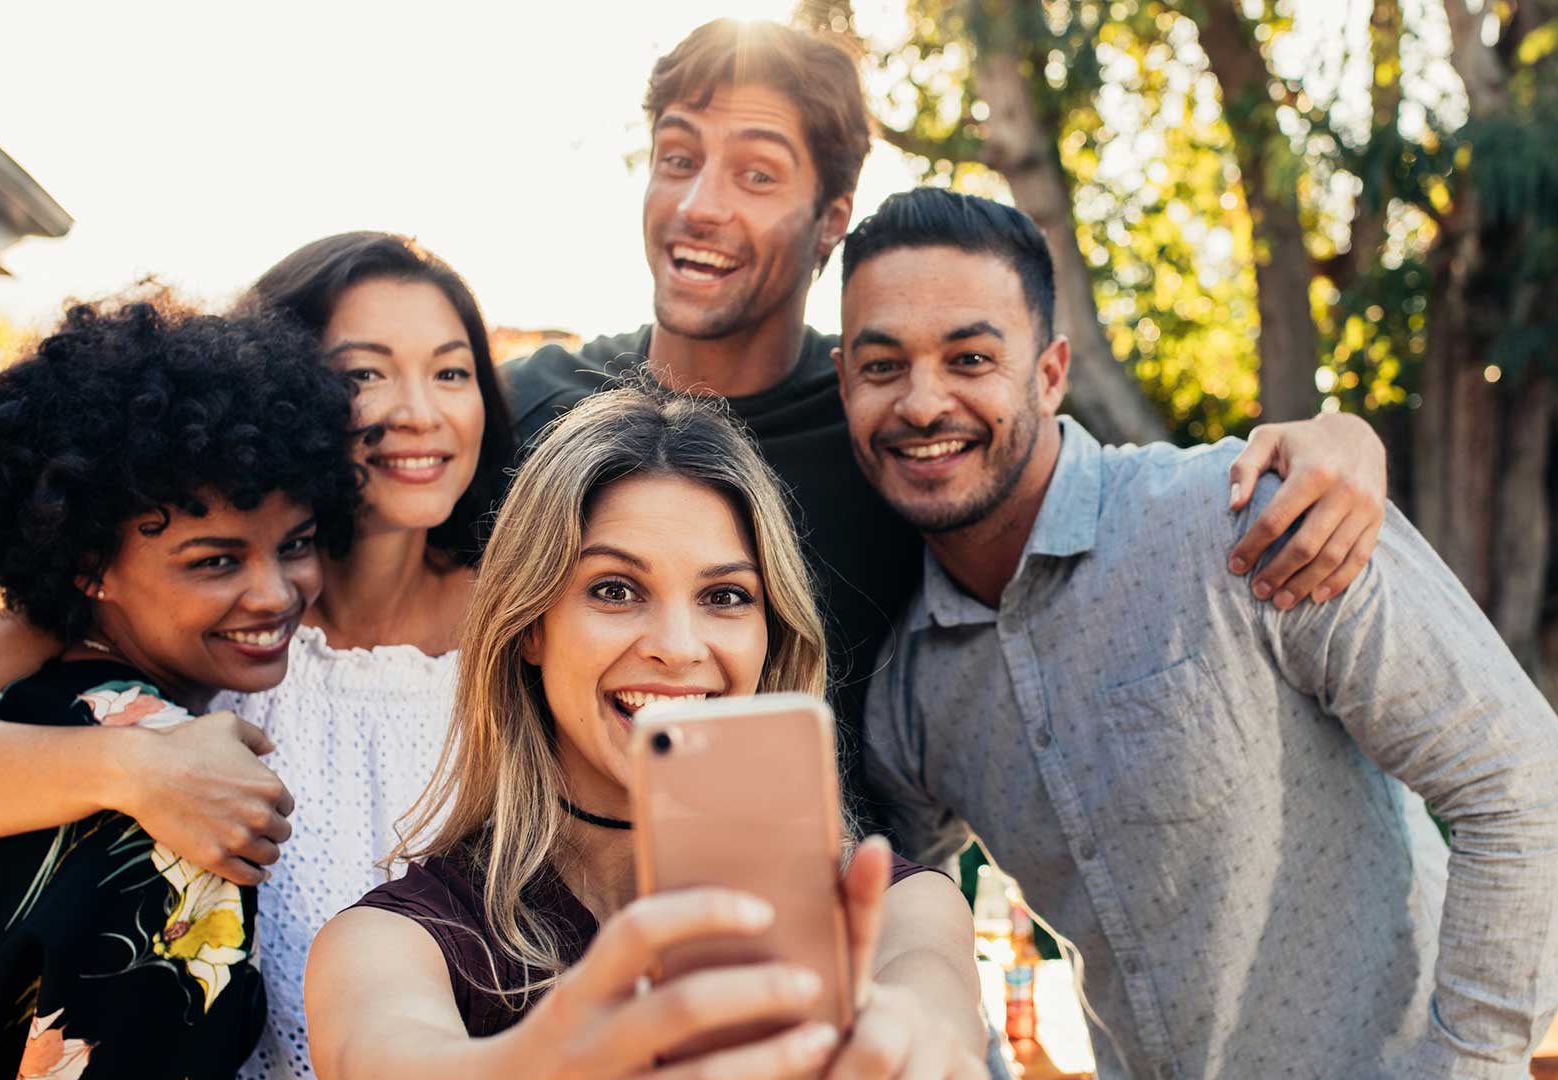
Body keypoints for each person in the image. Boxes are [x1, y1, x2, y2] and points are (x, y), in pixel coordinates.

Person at [499, 18, 1396, 828]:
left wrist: (1337, 439)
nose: (700, 205)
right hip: (533, 917)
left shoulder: (891, 433)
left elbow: (1081, 518)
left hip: (848, 919)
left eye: (758, 173)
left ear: (830, 220)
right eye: (677, 158)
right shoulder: (526, 410)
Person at [837, 189, 1558, 1079]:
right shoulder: (910, 686)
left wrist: (1463, 1069)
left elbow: (1529, 793)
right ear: (847, 386)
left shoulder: (1252, 520)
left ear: (1048, 374)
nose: (924, 403)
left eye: (970, 357)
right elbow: (896, 926)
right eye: (882, 367)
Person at [0, 233, 519, 1079]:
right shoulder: (189, 603)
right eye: (365, 374)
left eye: (451, 371)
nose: (419, 410)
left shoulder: (525, 614)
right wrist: (134, 768)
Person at [305, 389, 986, 1079]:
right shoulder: (393, 941)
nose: (677, 647)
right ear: (530, 626)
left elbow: (932, 1004)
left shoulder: (900, 909)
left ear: (770, 634)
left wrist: (906, 1045)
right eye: (615, 589)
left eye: (725, 597)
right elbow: (385, 1052)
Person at [0, 297, 363, 1079]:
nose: (274, 593)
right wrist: (143, 769)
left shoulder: (2, 689)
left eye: (295, 544)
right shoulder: (193, 792)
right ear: (90, 564)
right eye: (216, 561)